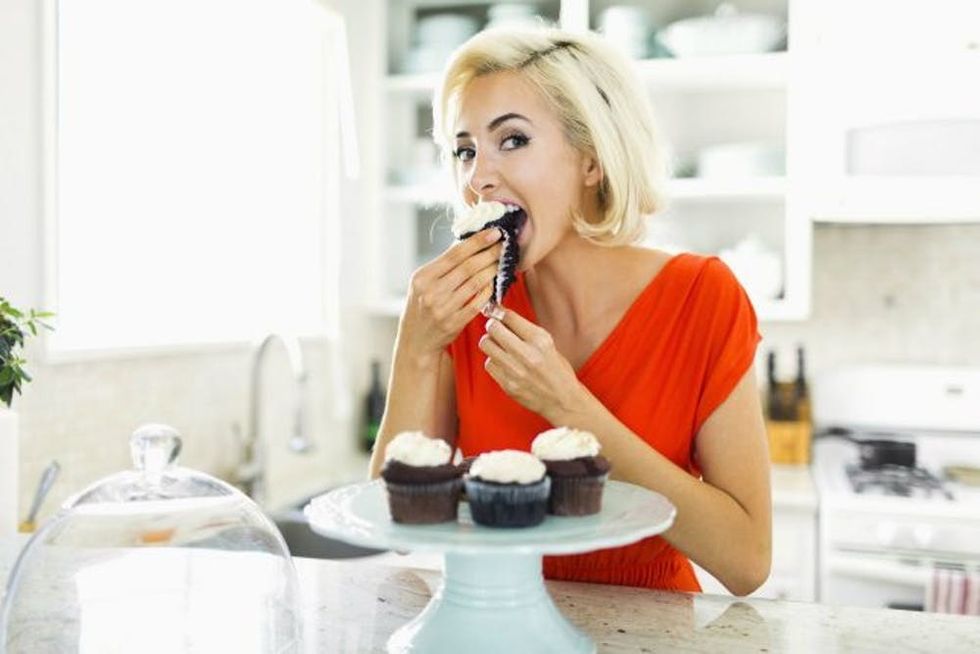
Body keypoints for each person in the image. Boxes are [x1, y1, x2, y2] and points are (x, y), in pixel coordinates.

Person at [368, 26, 771, 595]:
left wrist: (571, 408)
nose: (477, 178)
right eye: (464, 150)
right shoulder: (464, 310)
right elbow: (396, 524)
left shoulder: (702, 297)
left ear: (591, 160)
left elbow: (747, 562)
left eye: (512, 140)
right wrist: (415, 347)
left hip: (654, 628)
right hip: (493, 621)